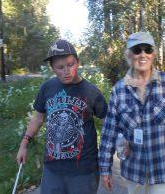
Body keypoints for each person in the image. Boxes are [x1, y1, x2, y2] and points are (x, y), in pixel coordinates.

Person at [99, 32, 165, 194]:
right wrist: (105, 169)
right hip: (134, 172)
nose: (143, 54)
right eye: (137, 50)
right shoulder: (119, 90)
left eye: (147, 49)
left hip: (164, 169)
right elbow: (109, 132)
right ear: (129, 54)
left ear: (153, 54)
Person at [16, 39, 108, 194]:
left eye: (71, 65)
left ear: (78, 62)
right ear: (52, 68)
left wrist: (113, 151)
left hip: (84, 170)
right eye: (60, 67)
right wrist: (24, 144)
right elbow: (38, 118)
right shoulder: (47, 88)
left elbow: (108, 121)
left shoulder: (91, 91)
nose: (67, 71)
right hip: (52, 168)